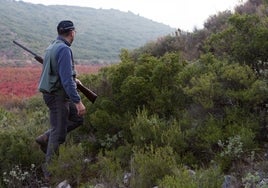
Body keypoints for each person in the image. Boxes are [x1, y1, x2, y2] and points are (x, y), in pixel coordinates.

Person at [35, 20, 86, 181]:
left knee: (77, 119)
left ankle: (45, 137)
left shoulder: (52, 46)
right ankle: (50, 173)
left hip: (55, 94)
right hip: (57, 96)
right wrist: (77, 101)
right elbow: (65, 80)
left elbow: (61, 73)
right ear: (72, 33)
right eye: (74, 32)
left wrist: (73, 79)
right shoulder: (64, 49)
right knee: (58, 133)